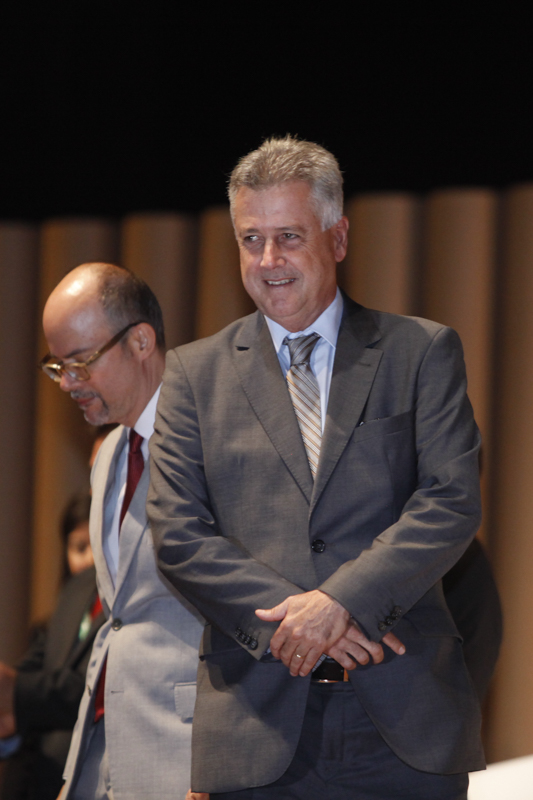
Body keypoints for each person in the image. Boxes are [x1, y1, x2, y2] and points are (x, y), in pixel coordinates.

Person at [147, 135, 485, 799]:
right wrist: (297, 626)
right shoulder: (192, 374)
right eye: (250, 240)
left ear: (339, 237)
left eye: (289, 237)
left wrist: (341, 602)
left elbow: (450, 500)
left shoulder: (420, 352)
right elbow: (178, 535)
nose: (268, 261)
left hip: (402, 723)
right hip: (256, 727)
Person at [39, 263, 205, 800]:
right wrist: (77, 772)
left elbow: (245, 616)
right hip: (104, 757)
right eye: (57, 366)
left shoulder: (211, 439)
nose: (67, 383)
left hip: (186, 757)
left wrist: (219, 769)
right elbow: (119, 621)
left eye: (80, 363)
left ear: (141, 341)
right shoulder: (109, 454)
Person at [0, 493, 104, 800]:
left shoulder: (126, 610)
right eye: (79, 548)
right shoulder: (65, 605)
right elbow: (21, 679)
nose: (90, 560)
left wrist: (15, 692)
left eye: (96, 544)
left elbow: (94, 685)